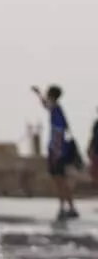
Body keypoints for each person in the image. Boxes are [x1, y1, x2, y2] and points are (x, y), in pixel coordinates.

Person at [32, 85, 80, 221]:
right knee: (61, 180)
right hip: (58, 149)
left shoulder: (57, 111)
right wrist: (38, 94)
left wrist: (56, 152)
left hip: (57, 150)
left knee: (60, 181)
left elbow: (59, 132)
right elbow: (45, 105)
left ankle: (65, 207)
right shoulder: (55, 109)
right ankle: (69, 207)